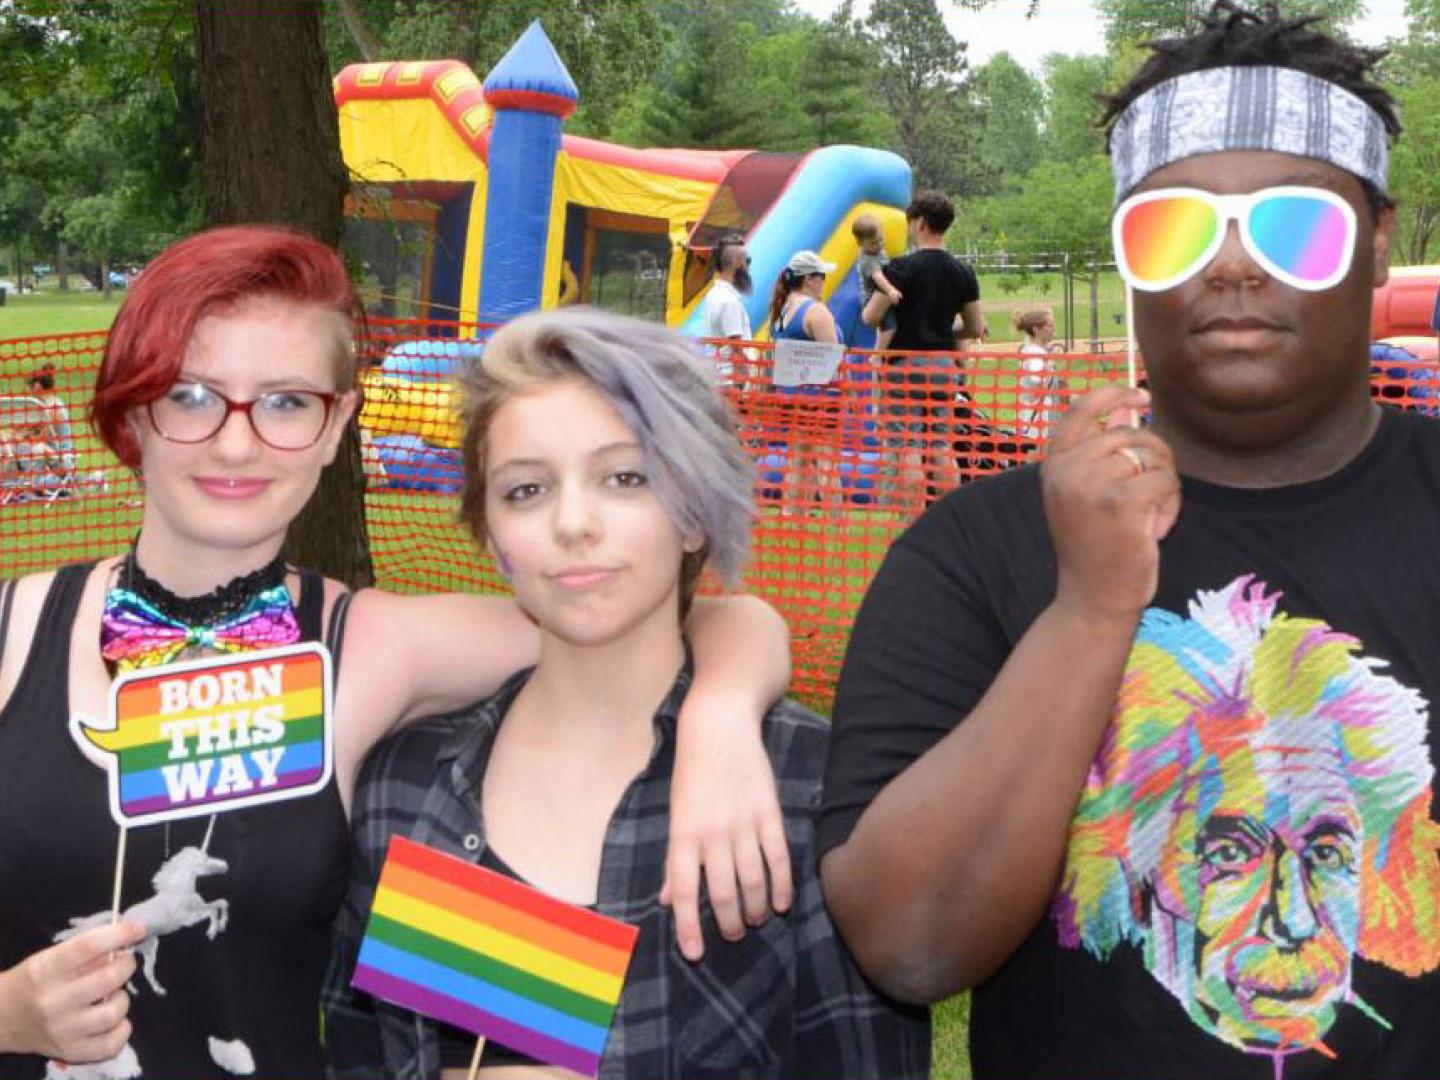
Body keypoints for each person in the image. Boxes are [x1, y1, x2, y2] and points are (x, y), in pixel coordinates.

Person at [0, 227, 795, 1079]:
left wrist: (720, 714)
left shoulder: (380, 646)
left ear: (339, 421)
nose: (236, 444)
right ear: (132, 410)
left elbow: (660, 615)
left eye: (286, 401)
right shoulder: (11, 631)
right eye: (192, 396)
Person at [818, 4, 1440, 1077]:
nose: (1236, 265)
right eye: (1176, 229)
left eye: (1295, 224)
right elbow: (910, 946)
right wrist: (1091, 605)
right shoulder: (974, 550)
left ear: (1378, 242)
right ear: (1130, 260)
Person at [321, 307, 929, 1080]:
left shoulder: (806, 789)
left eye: (624, 477)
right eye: (527, 489)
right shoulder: (403, 788)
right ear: (491, 537)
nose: (573, 523)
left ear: (693, 517)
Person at [861, 191, 984, 504]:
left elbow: (872, 316)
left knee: (908, 446)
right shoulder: (963, 272)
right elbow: (972, 327)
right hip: (943, 367)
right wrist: (944, 328)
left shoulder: (899, 269)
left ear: (920, 223)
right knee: (941, 444)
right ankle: (947, 520)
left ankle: (911, 519)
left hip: (904, 365)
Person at [768, 251, 842, 514]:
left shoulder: (781, 310)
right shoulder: (816, 311)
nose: (824, 281)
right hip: (821, 399)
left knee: (798, 460)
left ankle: (790, 518)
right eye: (821, 276)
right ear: (809, 279)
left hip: (791, 399)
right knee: (827, 463)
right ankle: (836, 523)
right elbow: (834, 359)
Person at [701, 235, 754, 383]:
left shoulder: (713, 295)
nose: (749, 267)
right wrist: (742, 386)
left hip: (718, 378)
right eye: (747, 261)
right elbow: (736, 349)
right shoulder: (730, 301)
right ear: (736, 263)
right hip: (732, 382)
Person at [851, 214, 901, 353]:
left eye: (881, 240)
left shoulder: (877, 252)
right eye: (874, 243)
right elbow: (878, 277)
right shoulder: (867, 260)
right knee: (890, 327)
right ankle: (877, 354)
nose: (879, 245)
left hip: (880, 296)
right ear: (861, 243)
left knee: (885, 326)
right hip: (870, 299)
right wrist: (890, 290)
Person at [1013, 307, 1064, 441]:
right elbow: (1038, 387)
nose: (1054, 329)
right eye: (1049, 325)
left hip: (1040, 421)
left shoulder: (1035, 352)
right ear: (1036, 330)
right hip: (1035, 424)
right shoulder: (1035, 355)